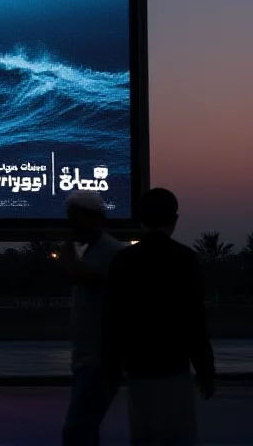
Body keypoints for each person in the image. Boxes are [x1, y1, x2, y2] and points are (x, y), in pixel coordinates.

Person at [102, 188, 215, 446]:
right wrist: (206, 371)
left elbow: (112, 321)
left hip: (139, 369)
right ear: (174, 219)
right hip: (175, 367)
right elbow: (195, 321)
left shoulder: (124, 260)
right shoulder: (186, 260)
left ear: (141, 218)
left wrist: (111, 370)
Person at [59, 190, 125, 446]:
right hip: (87, 357)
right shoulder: (94, 250)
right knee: (87, 429)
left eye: (74, 219)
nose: (71, 225)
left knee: (77, 430)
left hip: (101, 359)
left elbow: (86, 277)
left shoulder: (112, 252)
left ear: (92, 218)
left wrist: (66, 253)